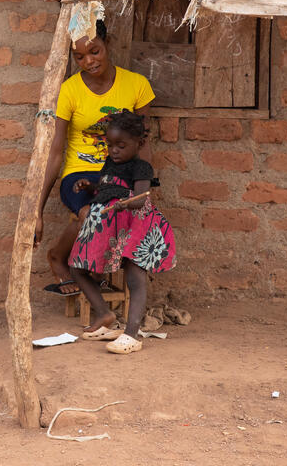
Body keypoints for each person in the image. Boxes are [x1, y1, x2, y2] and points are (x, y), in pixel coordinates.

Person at [36, 20, 154, 296]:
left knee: (118, 214)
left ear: (107, 44)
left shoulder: (136, 85)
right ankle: (57, 257)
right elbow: (55, 152)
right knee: (90, 213)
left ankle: (96, 273)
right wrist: (36, 211)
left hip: (119, 175)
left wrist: (145, 188)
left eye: (95, 51)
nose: (88, 61)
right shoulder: (70, 90)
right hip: (79, 174)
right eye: (79, 56)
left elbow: (144, 144)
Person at [68, 111, 176, 354]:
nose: (114, 150)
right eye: (110, 145)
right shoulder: (109, 164)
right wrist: (91, 185)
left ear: (138, 143)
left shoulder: (141, 167)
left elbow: (140, 199)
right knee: (77, 267)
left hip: (133, 226)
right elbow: (107, 187)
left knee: (135, 276)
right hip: (106, 225)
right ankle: (105, 315)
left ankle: (131, 335)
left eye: (121, 145)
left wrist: (124, 203)